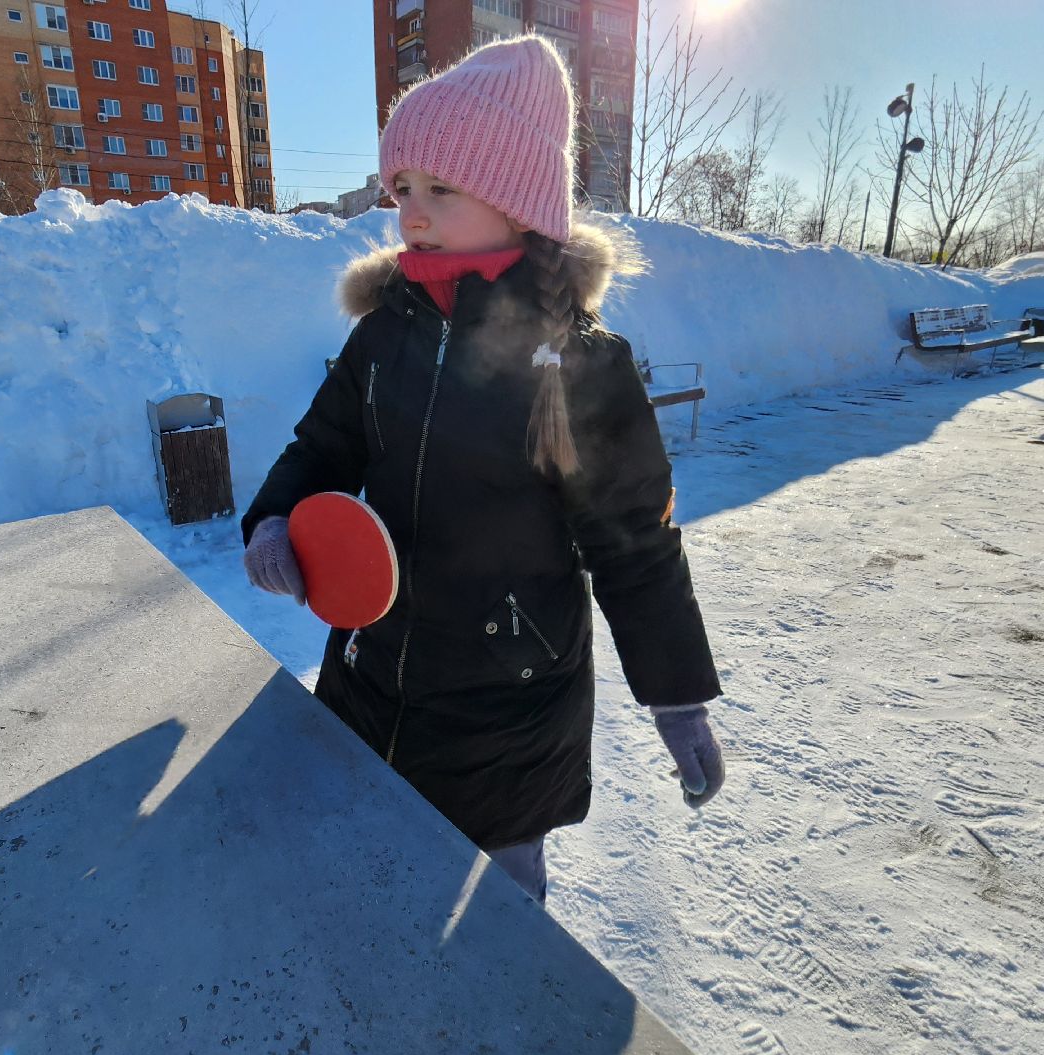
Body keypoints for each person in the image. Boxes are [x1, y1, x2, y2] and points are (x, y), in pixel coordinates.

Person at [241, 35, 724, 903]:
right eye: (403, 189)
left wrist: (677, 696)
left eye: (441, 188)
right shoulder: (385, 329)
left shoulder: (581, 364)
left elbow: (633, 546)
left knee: (502, 928)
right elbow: (324, 446)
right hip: (370, 668)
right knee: (369, 885)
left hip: (507, 701)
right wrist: (278, 517)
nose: (411, 212)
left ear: (516, 201)